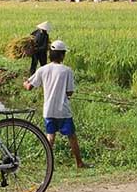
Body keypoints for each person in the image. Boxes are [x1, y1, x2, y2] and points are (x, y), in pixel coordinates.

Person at [23, 40, 89, 168]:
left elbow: (29, 86)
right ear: (62, 55)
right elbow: (69, 92)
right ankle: (79, 162)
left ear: (50, 54)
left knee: (50, 136)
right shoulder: (67, 71)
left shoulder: (43, 69)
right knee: (72, 136)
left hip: (48, 110)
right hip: (63, 110)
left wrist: (24, 83)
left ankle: (49, 165)